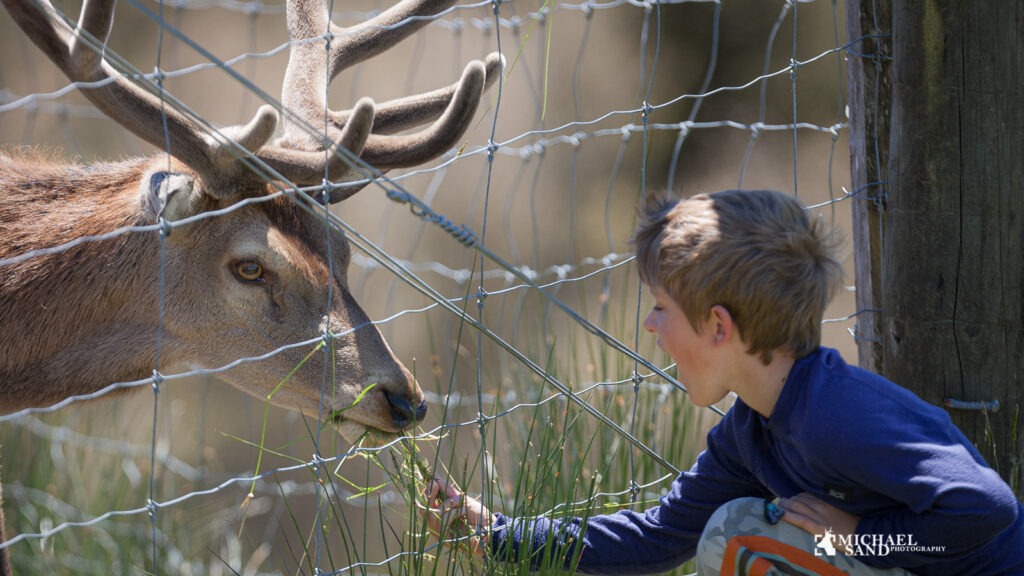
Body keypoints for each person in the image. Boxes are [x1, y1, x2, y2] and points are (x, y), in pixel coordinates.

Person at [424, 189, 1024, 576]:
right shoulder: (753, 431)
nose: (650, 324)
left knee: (738, 539)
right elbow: (656, 538)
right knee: (728, 534)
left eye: (661, 306)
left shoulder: (836, 416)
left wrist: (864, 539)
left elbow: (987, 508)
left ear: (718, 326)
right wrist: (498, 533)